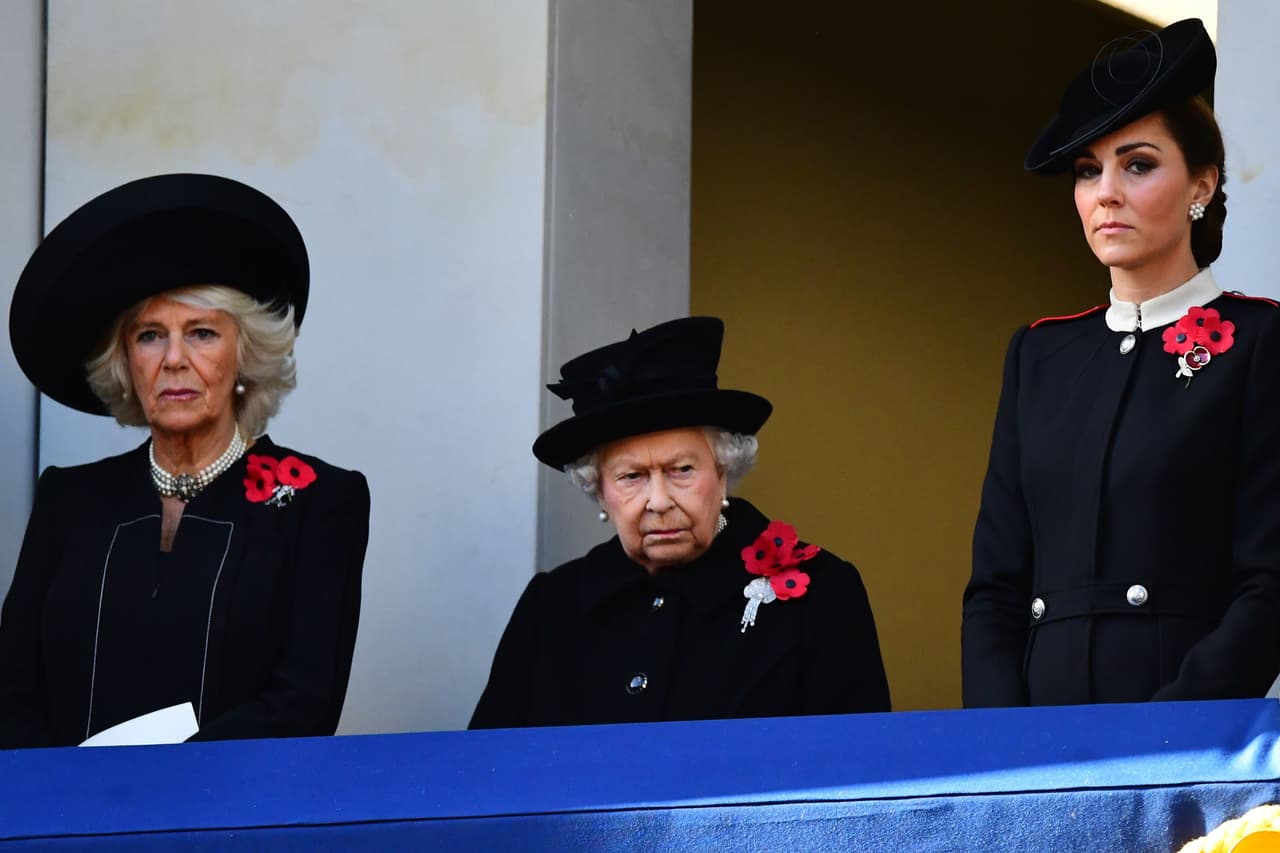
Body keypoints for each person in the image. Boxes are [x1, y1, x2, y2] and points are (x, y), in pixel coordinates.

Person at [962, 19, 1280, 707]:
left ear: (1201, 183)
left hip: (1185, 739)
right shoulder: (1039, 355)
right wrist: (1003, 744)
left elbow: (1270, 584)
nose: (1106, 190)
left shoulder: (1259, 342)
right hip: (1038, 746)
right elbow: (995, 588)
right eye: (1087, 170)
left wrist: (1166, 736)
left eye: (1137, 164)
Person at [0, 173, 370, 747]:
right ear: (124, 361)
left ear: (243, 355)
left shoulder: (318, 501)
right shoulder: (69, 500)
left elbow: (303, 705)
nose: (173, 360)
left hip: (228, 824)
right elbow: (12, 693)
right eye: (150, 335)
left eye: (201, 333)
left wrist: (158, 790)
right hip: (67, 823)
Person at [470, 316, 889, 728]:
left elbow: (858, 777)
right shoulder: (551, 606)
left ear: (723, 471)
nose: (658, 500)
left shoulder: (820, 595)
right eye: (631, 477)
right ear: (599, 490)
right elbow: (487, 778)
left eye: (682, 470)